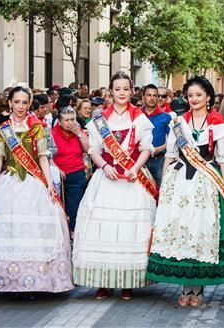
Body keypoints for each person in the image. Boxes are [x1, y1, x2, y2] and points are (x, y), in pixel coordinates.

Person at [0, 86, 74, 294]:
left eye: (24, 102)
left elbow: (43, 158)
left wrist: (48, 185)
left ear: (29, 104)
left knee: (33, 232)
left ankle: (35, 282)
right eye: (16, 102)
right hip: (8, 182)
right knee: (7, 230)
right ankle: (9, 282)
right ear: (10, 103)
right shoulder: (3, 129)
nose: (20, 106)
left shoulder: (37, 127)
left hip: (33, 183)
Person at [147, 76, 224, 307]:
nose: (194, 99)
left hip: (205, 183)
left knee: (200, 230)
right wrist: (164, 185)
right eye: (190, 95)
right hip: (180, 183)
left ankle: (199, 289)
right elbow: (171, 155)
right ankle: (186, 288)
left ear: (208, 98)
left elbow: (223, 160)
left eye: (199, 95)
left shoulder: (217, 124)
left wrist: (223, 188)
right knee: (181, 229)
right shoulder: (178, 123)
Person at [72, 72, 157, 301]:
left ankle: (128, 281)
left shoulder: (139, 118)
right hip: (107, 179)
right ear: (111, 91)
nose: (121, 93)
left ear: (131, 91)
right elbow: (94, 150)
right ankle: (103, 282)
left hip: (132, 178)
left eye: (125, 89)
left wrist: (136, 168)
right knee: (102, 230)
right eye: (117, 89)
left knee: (130, 231)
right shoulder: (100, 119)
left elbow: (146, 148)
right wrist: (103, 167)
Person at [51, 106, 89, 233]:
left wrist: (78, 133)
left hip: (76, 173)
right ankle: (60, 233)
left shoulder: (79, 131)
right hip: (58, 176)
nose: (70, 123)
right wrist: (56, 169)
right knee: (58, 207)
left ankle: (73, 232)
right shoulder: (52, 133)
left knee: (74, 206)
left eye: (72, 119)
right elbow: (47, 156)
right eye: (66, 120)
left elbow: (88, 149)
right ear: (60, 121)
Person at [142, 84, 172, 186]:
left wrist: (161, 148)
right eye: (149, 95)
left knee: (160, 190)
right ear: (143, 97)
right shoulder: (137, 115)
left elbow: (173, 140)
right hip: (140, 161)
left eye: (155, 95)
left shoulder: (166, 117)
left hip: (159, 161)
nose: (152, 98)